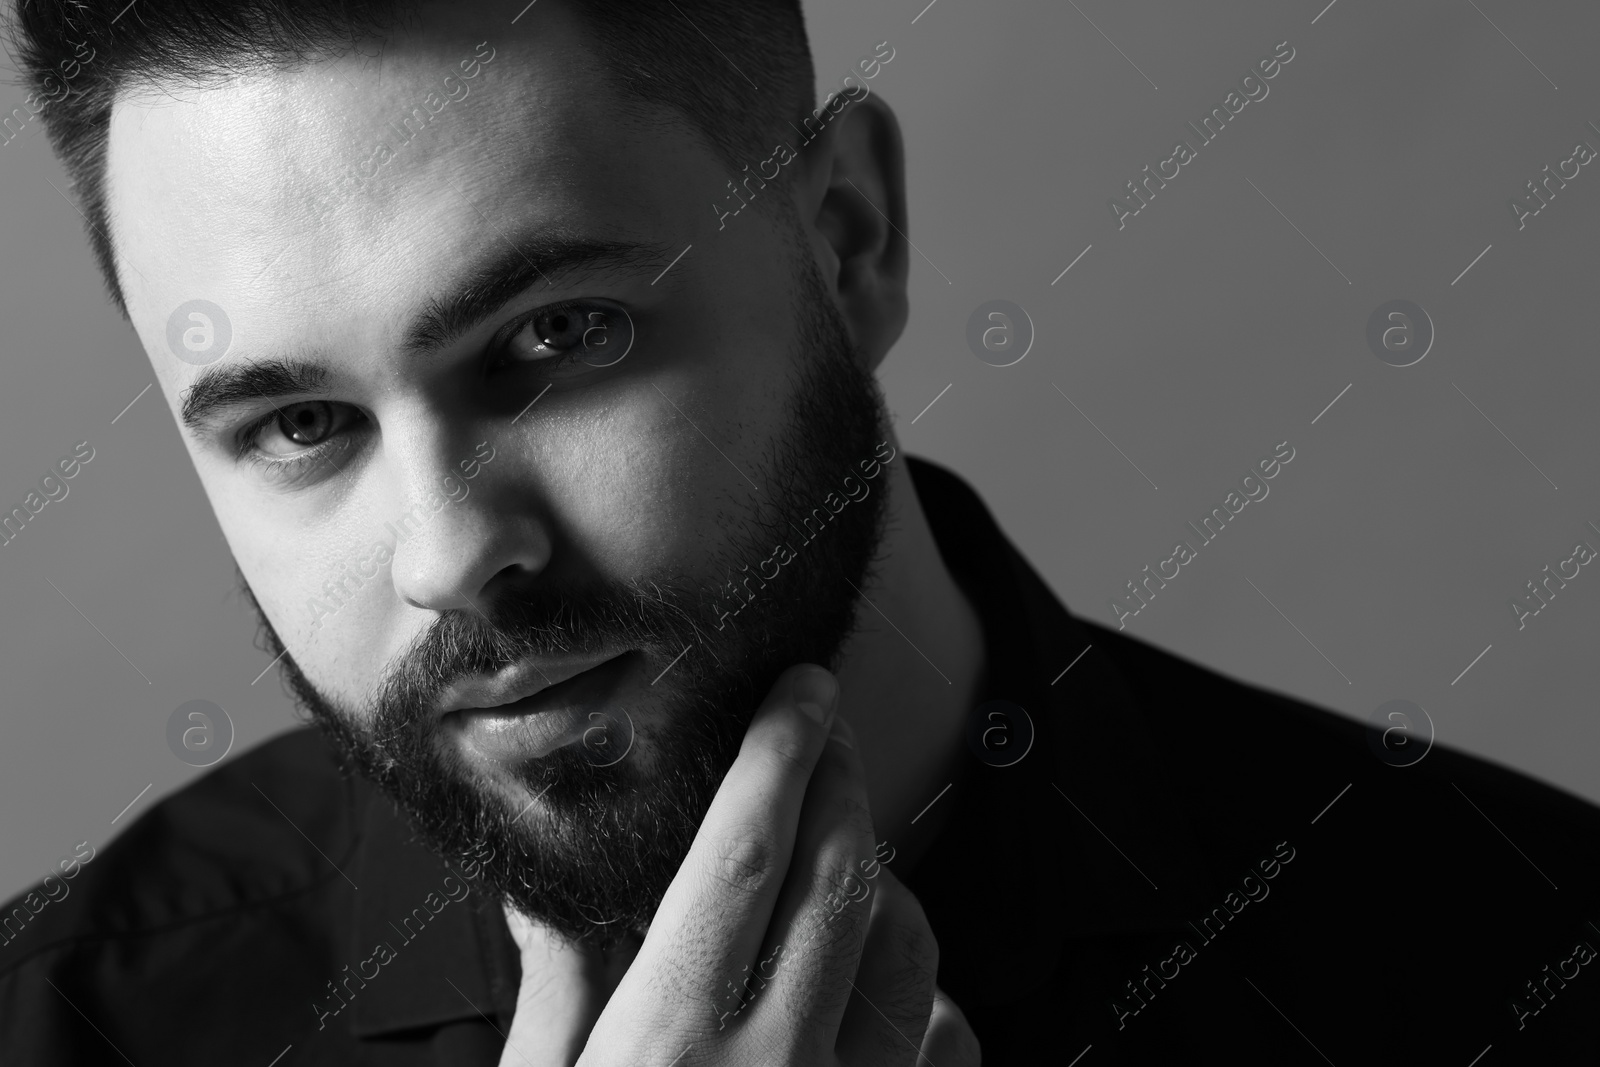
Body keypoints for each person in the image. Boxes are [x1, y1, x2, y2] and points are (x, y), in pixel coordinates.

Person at [3, 1, 1598, 1063]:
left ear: (847, 239)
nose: (446, 556)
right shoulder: (59, 1027)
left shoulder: (1525, 954)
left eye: (558, 340)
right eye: (299, 426)